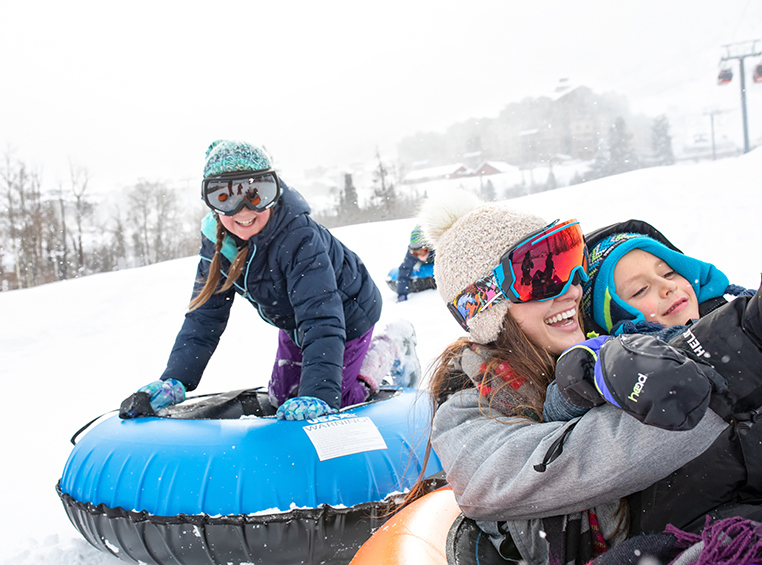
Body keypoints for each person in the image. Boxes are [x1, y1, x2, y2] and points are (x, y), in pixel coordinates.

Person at [408, 192, 728, 563]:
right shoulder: (466, 412)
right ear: (486, 306)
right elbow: (580, 461)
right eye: (540, 277)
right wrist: (727, 383)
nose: (572, 289)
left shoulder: (606, 347)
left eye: (570, 266)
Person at [120, 140, 416, 422]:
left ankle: (389, 347)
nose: (243, 210)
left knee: (338, 400)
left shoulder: (298, 237)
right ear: (211, 203)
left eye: (256, 193)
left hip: (349, 313)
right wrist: (175, 378)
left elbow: (322, 317)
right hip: (295, 319)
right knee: (281, 398)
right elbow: (204, 319)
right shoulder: (217, 247)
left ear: (273, 191)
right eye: (225, 197)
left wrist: (320, 395)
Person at [544, 219, 762, 535]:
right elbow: (560, 405)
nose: (667, 286)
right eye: (640, 289)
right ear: (611, 315)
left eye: (669, 272)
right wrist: (590, 371)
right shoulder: (622, 354)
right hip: (705, 512)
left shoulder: (733, 316)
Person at [394, 225, 436, 302]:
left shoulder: (436, 249)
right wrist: (402, 293)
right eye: (416, 253)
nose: (420, 256)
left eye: (423, 252)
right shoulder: (411, 254)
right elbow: (405, 269)